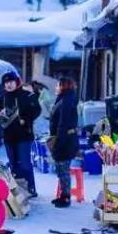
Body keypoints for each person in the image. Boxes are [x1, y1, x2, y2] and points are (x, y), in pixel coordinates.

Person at [0, 71, 41, 197]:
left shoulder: (26, 95)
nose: (9, 85)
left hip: (24, 135)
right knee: (13, 163)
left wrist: (26, 119)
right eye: (6, 83)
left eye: (11, 82)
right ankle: (18, 190)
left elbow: (37, 110)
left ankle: (31, 188)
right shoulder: (1, 97)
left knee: (25, 162)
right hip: (8, 136)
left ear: (16, 82)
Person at [49, 77, 79, 208]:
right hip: (64, 137)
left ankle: (66, 197)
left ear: (63, 86)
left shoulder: (66, 100)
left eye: (58, 85)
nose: (56, 87)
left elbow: (63, 122)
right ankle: (63, 194)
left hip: (65, 139)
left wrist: (58, 141)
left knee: (63, 168)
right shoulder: (64, 98)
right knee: (61, 169)